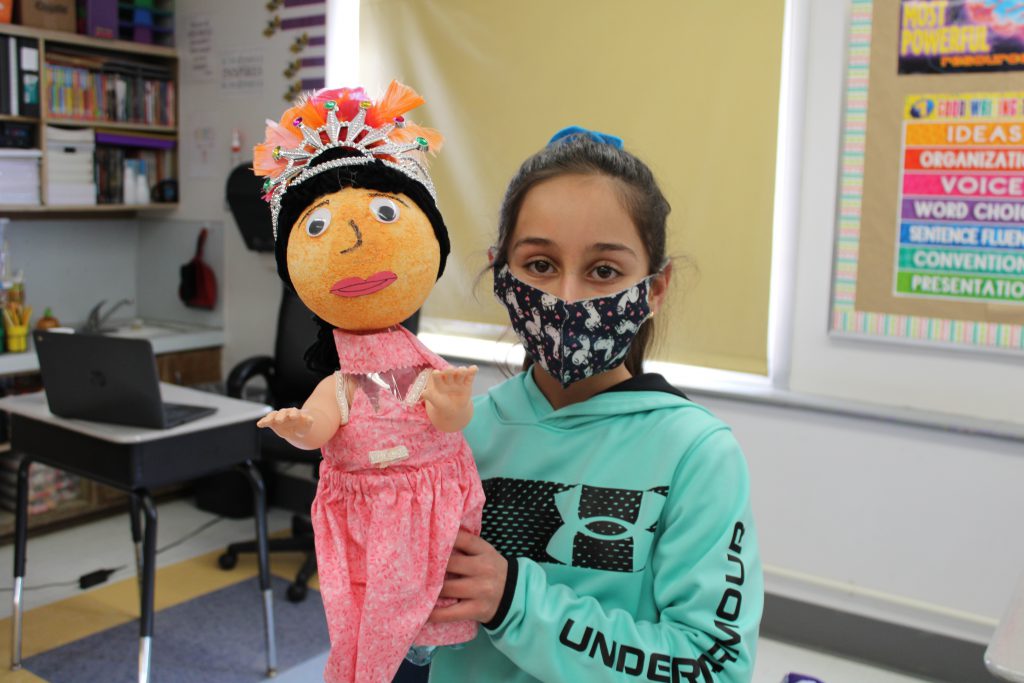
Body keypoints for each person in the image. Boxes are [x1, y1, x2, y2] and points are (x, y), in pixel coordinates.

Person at [426, 127, 763, 682]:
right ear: (501, 273)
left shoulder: (696, 455)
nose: (567, 297)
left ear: (655, 287)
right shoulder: (456, 435)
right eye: (539, 265)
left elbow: (713, 668)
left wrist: (515, 602)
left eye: (604, 271)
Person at [251, 82, 485, 683]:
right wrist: (302, 428)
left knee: (429, 621)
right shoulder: (340, 379)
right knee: (368, 619)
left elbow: (449, 426)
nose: (352, 239)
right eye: (321, 226)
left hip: (429, 511)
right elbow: (323, 419)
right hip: (366, 517)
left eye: (384, 213)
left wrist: (453, 404)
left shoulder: (421, 366)